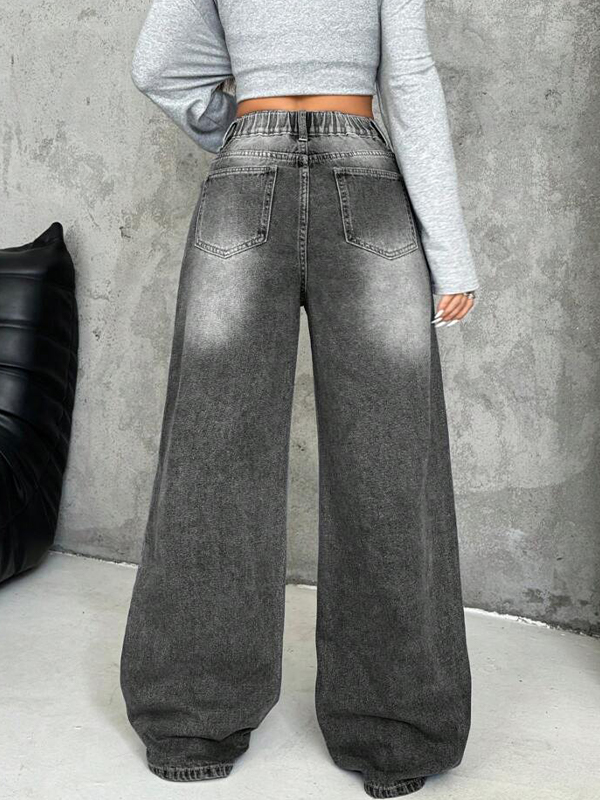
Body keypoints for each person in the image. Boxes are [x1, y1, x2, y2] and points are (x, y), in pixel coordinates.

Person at [119, 0, 479, 797]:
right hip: (365, 176)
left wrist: (238, 127)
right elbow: (409, 78)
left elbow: (157, 65)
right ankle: (396, 737)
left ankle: (190, 723)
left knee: (212, 461)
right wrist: (450, 253)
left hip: (246, 171)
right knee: (391, 463)